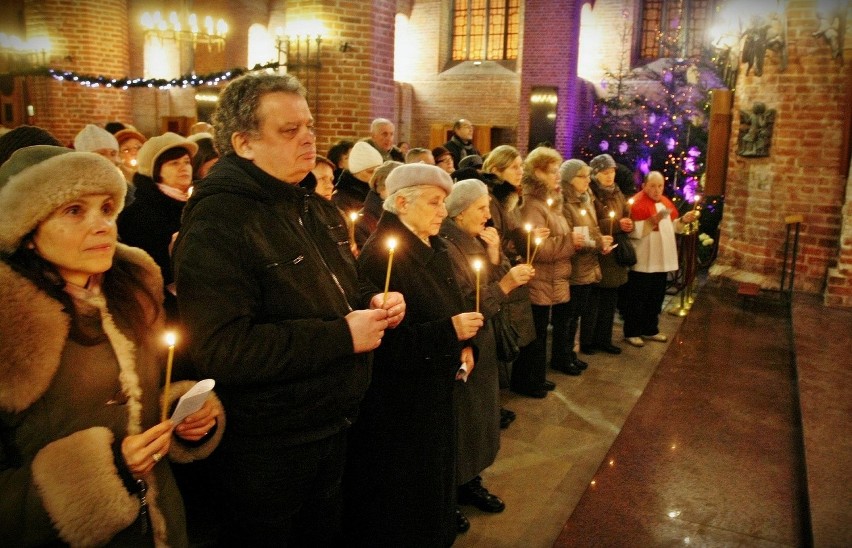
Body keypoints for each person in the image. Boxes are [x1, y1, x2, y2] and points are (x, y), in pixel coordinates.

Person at [171, 72, 405, 546]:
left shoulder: (310, 206)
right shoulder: (220, 222)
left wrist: (371, 302)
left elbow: (340, 289)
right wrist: (344, 335)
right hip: (268, 446)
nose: (308, 139)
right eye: (288, 130)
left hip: (328, 424)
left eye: (310, 126)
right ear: (244, 143)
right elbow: (223, 348)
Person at [0, 146, 221, 547]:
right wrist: (107, 473)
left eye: (106, 208)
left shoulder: (134, 293)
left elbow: (147, 394)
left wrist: (180, 414)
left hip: (159, 522)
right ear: (27, 230)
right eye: (74, 211)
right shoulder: (9, 322)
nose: (102, 225)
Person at [345, 163, 483, 547]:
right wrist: (449, 333)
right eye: (435, 202)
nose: (443, 211)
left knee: (434, 479)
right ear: (402, 202)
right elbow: (387, 343)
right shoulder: (383, 258)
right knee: (407, 495)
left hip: (435, 389)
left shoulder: (431, 245)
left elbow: (453, 305)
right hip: (403, 403)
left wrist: (466, 345)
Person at [440, 179, 535, 530]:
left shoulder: (470, 240)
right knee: (463, 424)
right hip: (467, 346)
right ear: (460, 211)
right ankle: (451, 493)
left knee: (479, 419)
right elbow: (468, 301)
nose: (488, 216)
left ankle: (471, 481)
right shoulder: (448, 246)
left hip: (483, 342)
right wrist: (507, 283)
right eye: (481, 209)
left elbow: (486, 286)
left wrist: (496, 261)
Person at [513, 147, 585, 397]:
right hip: (538, 280)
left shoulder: (550, 203)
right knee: (535, 335)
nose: (557, 176)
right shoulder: (533, 205)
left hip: (551, 279)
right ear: (537, 172)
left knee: (542, 333)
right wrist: (570, 242)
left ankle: (537, 377)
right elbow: (538, 250)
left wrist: (566, 239)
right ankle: (528, 381)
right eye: (553, 171)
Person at [117, 133, 197, 324]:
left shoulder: (196, 204)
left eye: (186, 162)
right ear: (155, 170)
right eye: (173, 163)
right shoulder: (140, 214)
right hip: (168, 310)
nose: (183, 168)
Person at [623, 171, 697, 347]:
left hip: (660, 259)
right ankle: (632, 332)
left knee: (656, 297)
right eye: (653, 186)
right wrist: (651, 221)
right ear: (644, 186)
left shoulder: (665, 202)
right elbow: (631, 231)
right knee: (638, 298)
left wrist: (683, 220)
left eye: (660, 186)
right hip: (643, 259)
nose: (657, 190)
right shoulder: (636, 203)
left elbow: (673, 227)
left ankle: (650, 329)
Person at [560, 159, 613, 363]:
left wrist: (602, 240)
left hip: (588, 265)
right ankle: (563, 356)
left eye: (587, 176)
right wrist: (598, 243)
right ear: (569, 179)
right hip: (575, 267)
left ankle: (570, 354)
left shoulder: (586, 197)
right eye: (581, 176)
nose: (586, 180)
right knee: (568, 316)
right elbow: (574, 236)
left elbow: (592, 227)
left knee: (577, 315)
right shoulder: (566, 201)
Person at [587, 154, 633, 354]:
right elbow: (591, 222)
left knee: (609, 301)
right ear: (595, 174)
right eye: (605, 172)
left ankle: (604, 339)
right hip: (600, 253)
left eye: (612, 171)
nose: (609, 176)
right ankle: (589, 341)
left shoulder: (617, 192)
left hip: (615, 253)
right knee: (594, 302)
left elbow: (625, 212)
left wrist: (627, 223)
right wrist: (616, 224)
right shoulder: (592, 194)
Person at [353, 160, 401, 249]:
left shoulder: (404, 214)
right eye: (397, 187)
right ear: (380, 187)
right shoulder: (363, 222)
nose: (401, 193)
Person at [332, 140, 383, 213]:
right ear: (356, 172)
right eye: (370, 171)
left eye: (378, 171)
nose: (376, 176)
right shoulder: (341, 197)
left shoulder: (380, 191)